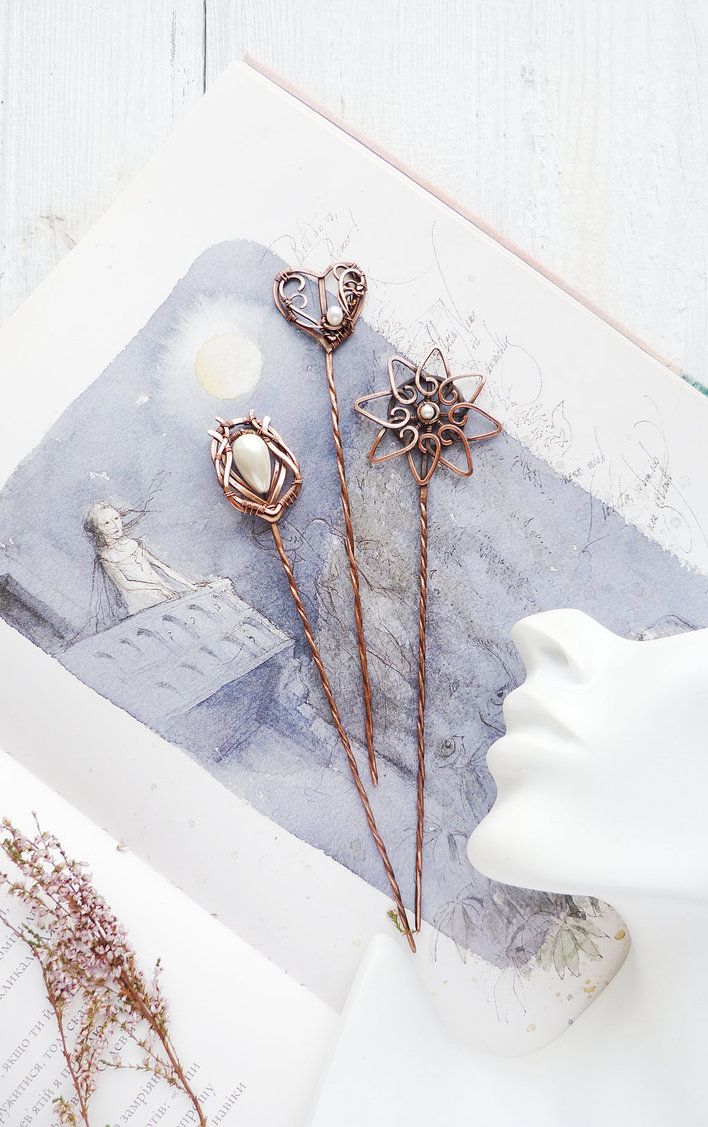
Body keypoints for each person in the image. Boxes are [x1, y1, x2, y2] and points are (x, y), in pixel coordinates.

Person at [84, 501, 198, 619]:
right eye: (106, 523)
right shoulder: (106, 556)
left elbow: (162, 567)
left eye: (116, 518)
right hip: (143, 606)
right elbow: (126, 584)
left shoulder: (132, 544)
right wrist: (158, 587)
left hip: (166, 595)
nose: (115, 525)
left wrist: (191, 586)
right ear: (97, 529)